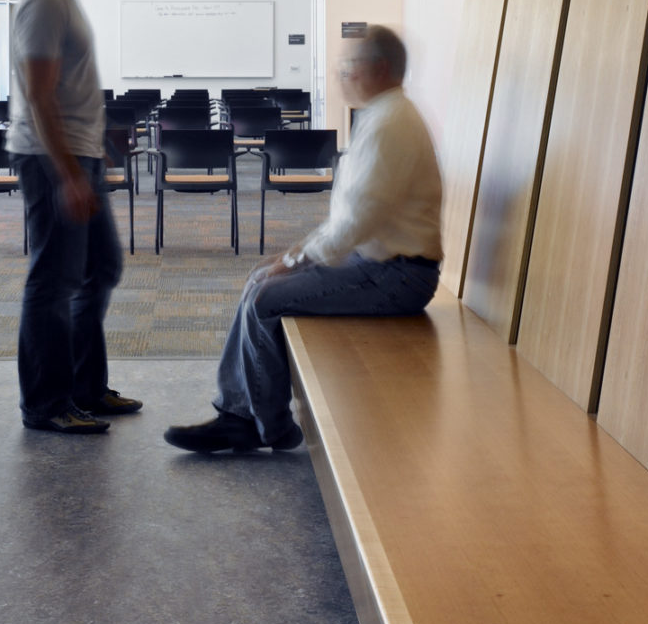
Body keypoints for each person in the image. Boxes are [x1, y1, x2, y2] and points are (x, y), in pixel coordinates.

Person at [165, 25, 443, 456]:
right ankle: (237, 415)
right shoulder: (383, 116)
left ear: (380, 68)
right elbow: (349, 218)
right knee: (259, 280)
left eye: (348, 67)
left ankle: (267, 427)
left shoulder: (391, 124)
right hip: (378, 262)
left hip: (397, 276)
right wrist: (295, 256)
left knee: (265, 300)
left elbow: (358, 220)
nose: (340, 76)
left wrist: (298, 260)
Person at [7, 0, 141, 436]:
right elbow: (39, 97)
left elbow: (65, 88)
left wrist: (96, 147)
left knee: (100, 268)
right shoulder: (45, 0)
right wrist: (67, 174)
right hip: (49, 158)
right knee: (54, 281)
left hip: (78, 152)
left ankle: (84, 388)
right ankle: (46, 403)